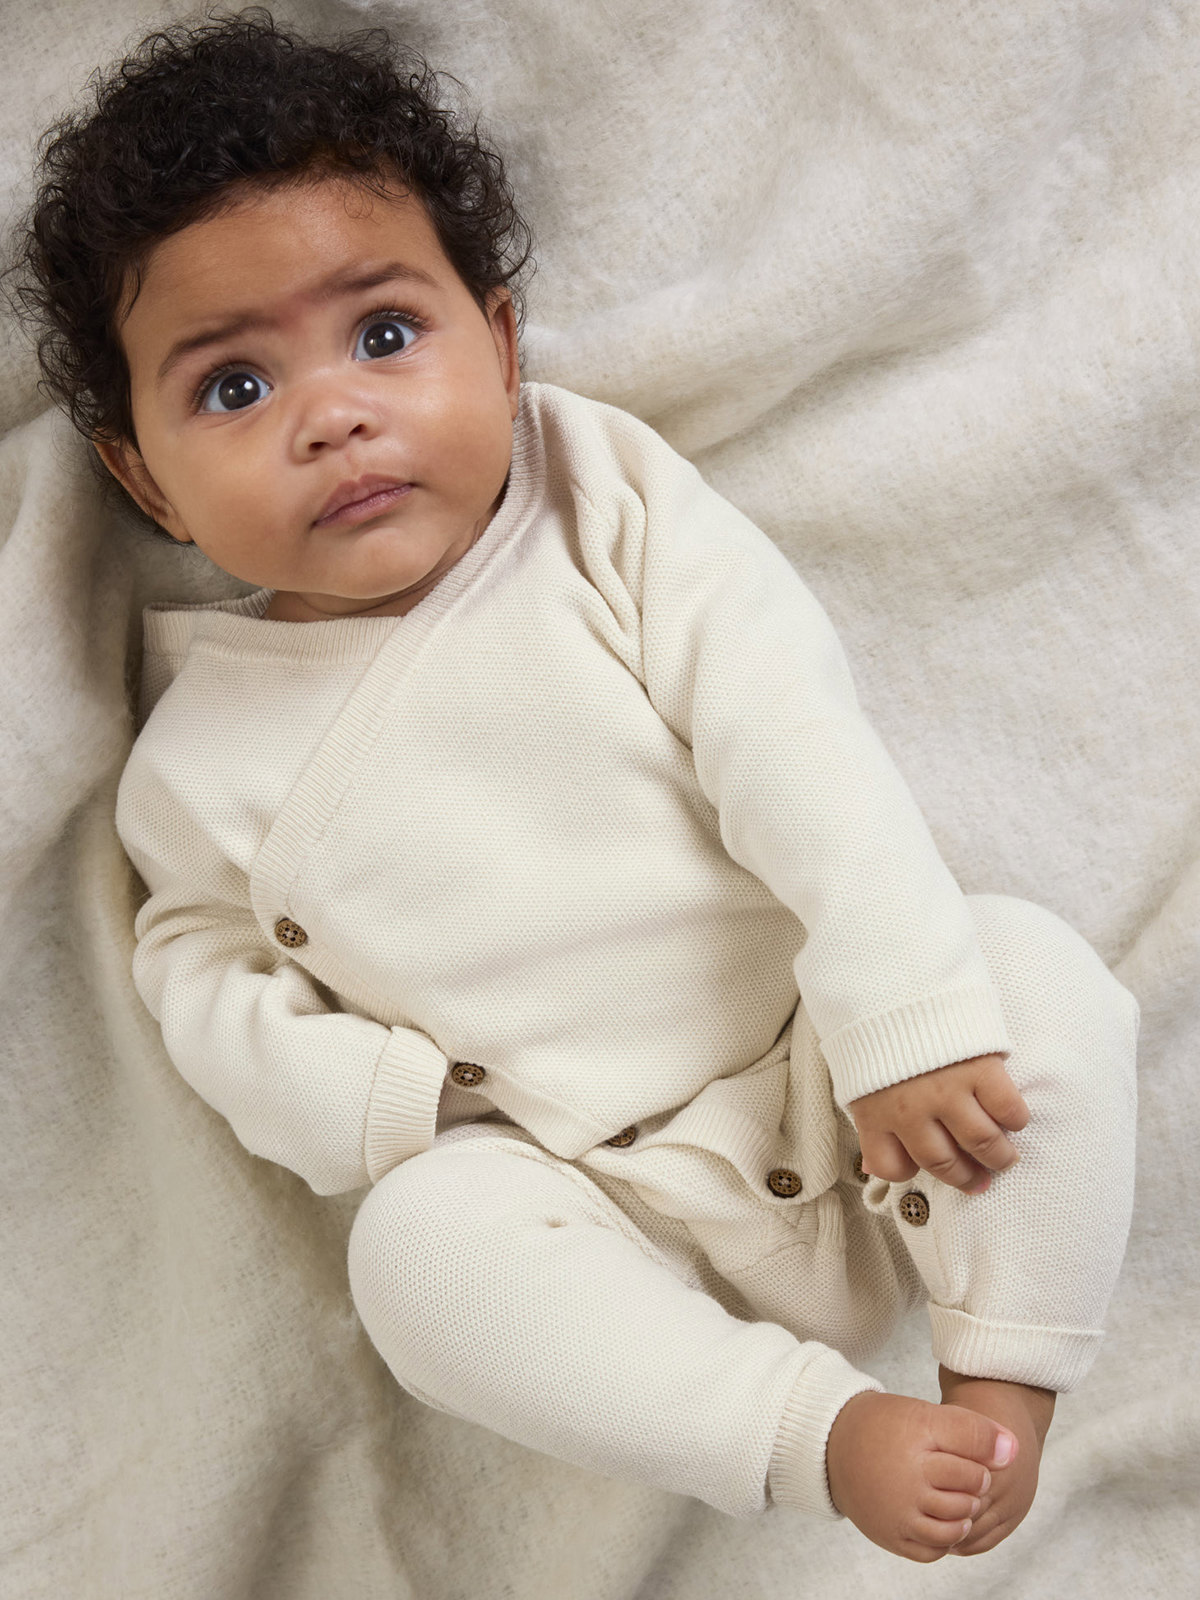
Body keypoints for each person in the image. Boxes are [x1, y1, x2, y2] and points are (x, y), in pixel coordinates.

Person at [11, 9, 1138, 1564]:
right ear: (144, 478)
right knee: (422, 1259)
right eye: (234, 389)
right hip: (613, 1206)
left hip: (853, 1075)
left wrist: (903, 1016)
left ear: (501, 344)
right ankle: (816, 1431)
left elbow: (788, 730)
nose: (333, 414)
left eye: (383, 336)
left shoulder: (598, 501)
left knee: (1032, 972)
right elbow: (193, 971)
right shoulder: (198, 761)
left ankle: (1002, 1382)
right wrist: (386, 1100)